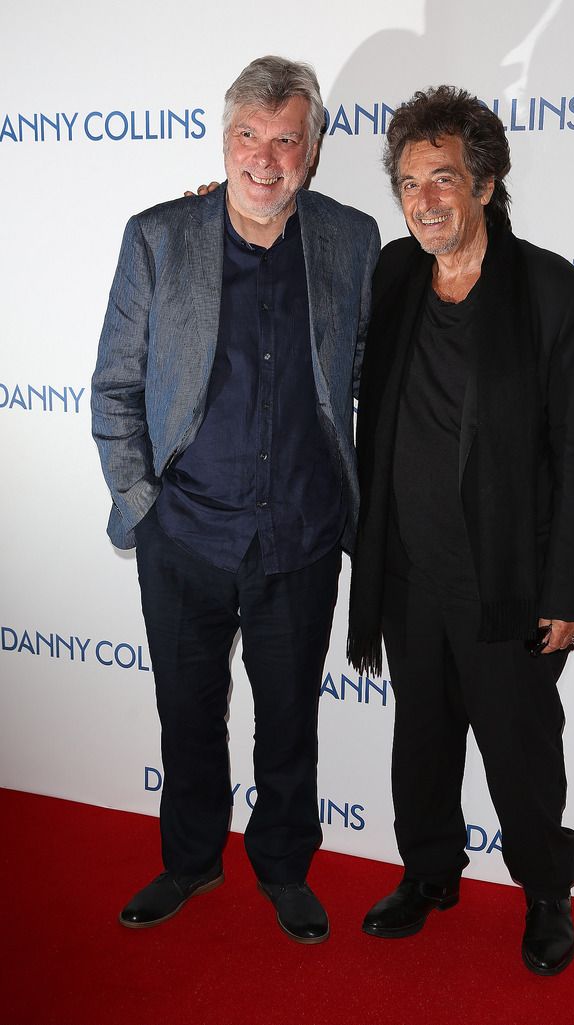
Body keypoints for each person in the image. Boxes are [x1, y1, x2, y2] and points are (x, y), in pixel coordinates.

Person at [91, 55, 380, 945]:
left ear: (314, 150)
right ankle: (189, 859)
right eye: (249, 137)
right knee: (187, 710)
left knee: (291, 716)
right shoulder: (159, 236)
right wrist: (142, 502)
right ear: (226, 140)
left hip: (298, 532)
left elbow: (369, 371)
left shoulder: (353, 240)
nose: (265, 158)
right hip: (183, 534)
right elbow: (115, 387)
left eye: (286, 138)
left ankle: (285, 866)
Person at [347, 86, 574, 975]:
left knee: (521, 754)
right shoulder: (388, 275)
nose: (425, 198)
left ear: (486, 182)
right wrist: (211, 208)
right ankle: (428, 874)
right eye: (411, 180)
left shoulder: (553, 293)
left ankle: (545, 892)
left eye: (445, 177)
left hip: (508, 582)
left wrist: (571, 587)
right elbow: (291, 264)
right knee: (418, 742)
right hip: (407, 572)